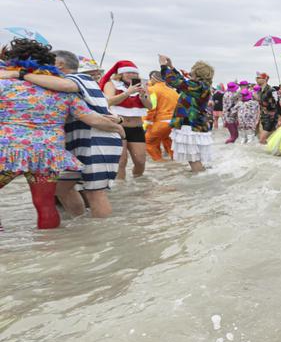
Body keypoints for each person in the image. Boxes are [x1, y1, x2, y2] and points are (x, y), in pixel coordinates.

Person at [0, 39, 125, 229]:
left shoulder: (5, 85)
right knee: (45, 205)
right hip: (48, 155)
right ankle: (50, 243)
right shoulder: (63, 91)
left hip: (8, 152)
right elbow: (91, 118)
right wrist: (117, 127)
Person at [158, 55, 214, 173]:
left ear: (197, 73)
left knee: (193, 159)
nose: (190, 71)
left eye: (193, 69)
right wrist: (172, 67)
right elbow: (182, 83)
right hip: (198, 124)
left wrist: (163, 66)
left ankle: (199, 179)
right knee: (196, 157)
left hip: (190, 125)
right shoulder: (201, 86)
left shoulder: (196, 86)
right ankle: (202, 176)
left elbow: (173, 81)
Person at [100, 60, 152, 180]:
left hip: (136, 128)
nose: (131, 75)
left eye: (134, 73)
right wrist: (128, 92)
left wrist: (142, 96)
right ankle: (121, 187)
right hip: (118, 127)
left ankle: (138, 184)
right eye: (128, 72)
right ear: (121, 74)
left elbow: (150, 106)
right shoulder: (111, 84)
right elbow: (108, 102)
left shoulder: (142, 85)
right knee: (121, 162)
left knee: (140, 161)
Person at [145, 69, 179, 161]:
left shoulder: (151, 90)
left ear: (153, 78)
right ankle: (175, 164)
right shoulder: (173, 91)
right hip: (174, 123)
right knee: (170, 143)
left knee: (149, 143)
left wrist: (146, 124)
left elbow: (151, 108)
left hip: (161, 122)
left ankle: (160, 163)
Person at [256, 72, 280, 143]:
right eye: (256, 78)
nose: (257, 79)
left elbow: (276, 103)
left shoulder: (271, 90)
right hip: (263, 117)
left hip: (271, 118)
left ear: (265, 79)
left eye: (259, 78)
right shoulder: (259, 91)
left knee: (262, 140)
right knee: (266, 140)